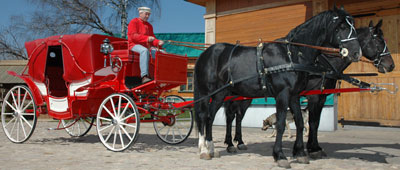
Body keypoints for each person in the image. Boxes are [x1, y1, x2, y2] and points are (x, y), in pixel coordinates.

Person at [127, 6, 164, 84]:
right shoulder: (134, 22)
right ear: (140, 13)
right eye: (146, 14)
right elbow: (133, 36)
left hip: (146, 46)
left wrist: (158, 42)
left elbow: (153, 38)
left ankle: (159, 75)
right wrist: (146, 39)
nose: (147, 16)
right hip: (133, 45)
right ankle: (144, 76)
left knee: (160, 52)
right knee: (144, 51)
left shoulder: (149, 26)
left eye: (148, 15)